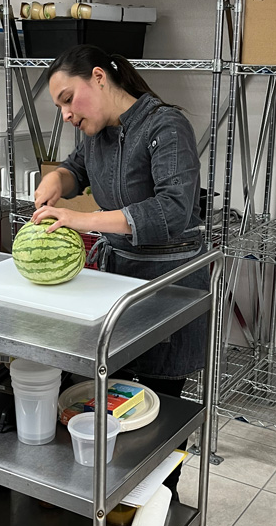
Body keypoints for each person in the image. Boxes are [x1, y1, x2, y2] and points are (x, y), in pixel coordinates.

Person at [32, 45, 210, 499]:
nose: (66, 115)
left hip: (168, 285)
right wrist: (56, 180)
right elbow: (76, 169)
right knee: (116, 401)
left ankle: (160, 502)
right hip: (120, 282)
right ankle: (115, 499)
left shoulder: (166, 126)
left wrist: (83, 219)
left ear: (98, 77)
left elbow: (172, 210)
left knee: (160, 409)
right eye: (59, 107)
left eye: (68, 99)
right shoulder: (98, 132)